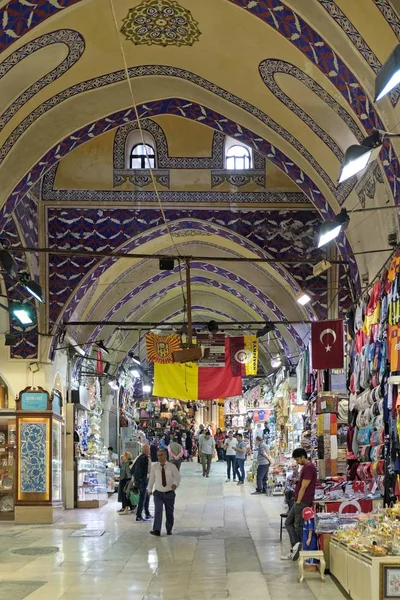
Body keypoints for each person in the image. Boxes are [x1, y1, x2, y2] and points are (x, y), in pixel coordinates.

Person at [282, 448, 317, 561]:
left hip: (302, 501)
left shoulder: (309, 468)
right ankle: (296, 548)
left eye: (297, 459)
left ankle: (299, 550)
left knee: (297, 526)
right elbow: (303, 483)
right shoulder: (306, 468)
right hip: (299, 500)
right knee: (288, 522)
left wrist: (298, 502)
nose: (297, 462)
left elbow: (304, 486)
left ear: (303, 456)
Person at [147, 449, 181, 537]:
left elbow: (177, 477)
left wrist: (175, 484)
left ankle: (169, 529)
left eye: (161, 455)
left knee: (169, 512)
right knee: (158, 511)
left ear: (165, 455)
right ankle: (157, 530)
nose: (160, 457)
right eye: (158, 455)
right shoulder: (154, 467)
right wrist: (149, 489)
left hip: (169, 493)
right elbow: (151, 479)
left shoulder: (172, 467)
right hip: (158, 493)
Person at [132, 444, 152, 522]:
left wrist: (134, 481)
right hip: (143, 481)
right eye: (149, 449)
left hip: (137, 481)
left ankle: (147, 514)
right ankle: (139, 515)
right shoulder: (147, 459)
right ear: (147, 450)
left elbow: (133, 469)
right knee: (142, 498)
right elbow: (149, 472)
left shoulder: (137, 458)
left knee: (146, 497)